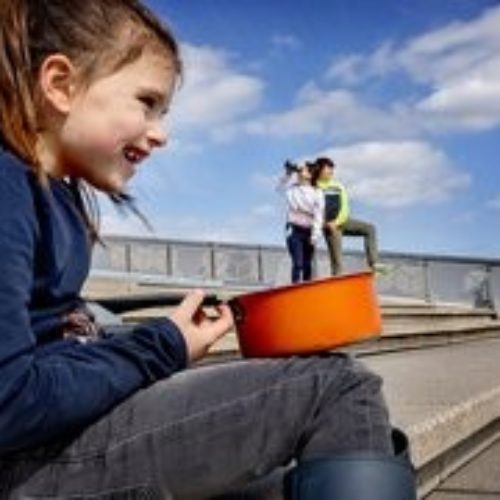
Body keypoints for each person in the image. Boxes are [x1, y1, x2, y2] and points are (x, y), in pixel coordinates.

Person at [0, 1, 415, 498]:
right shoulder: (7, 187)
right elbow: (8, 400)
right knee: (337, 389)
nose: (161, 134)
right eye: (147, 101)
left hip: (49, 444)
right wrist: (161, 346)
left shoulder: (52, 191)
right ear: (61, 84)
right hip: (27, 465)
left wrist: (163, 337)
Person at [312, 156, 383, 276]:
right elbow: (313, 208)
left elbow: (345, 207)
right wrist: (325, 223)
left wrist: (338, 221)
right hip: (329, 226)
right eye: (327, 168)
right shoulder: (314, 187)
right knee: (337, 262)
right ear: (319, 170)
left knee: (370, 228)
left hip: (342, 221)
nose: (330, 171)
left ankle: (374, 264)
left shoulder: (338, 186)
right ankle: (337, 288)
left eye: (331, 168)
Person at [280, 161, 324, 283]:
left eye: (303, 170)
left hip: (309, 230)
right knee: (297, 263)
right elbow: (280, 188)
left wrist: (315, 236)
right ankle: (294, 287)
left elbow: (318, 215)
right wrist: (288, 174)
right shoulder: (292, 189)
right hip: (293, 229)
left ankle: (306, 290)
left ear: (310, 175)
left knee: (307, 264)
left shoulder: (317, 192)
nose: (300, 171)